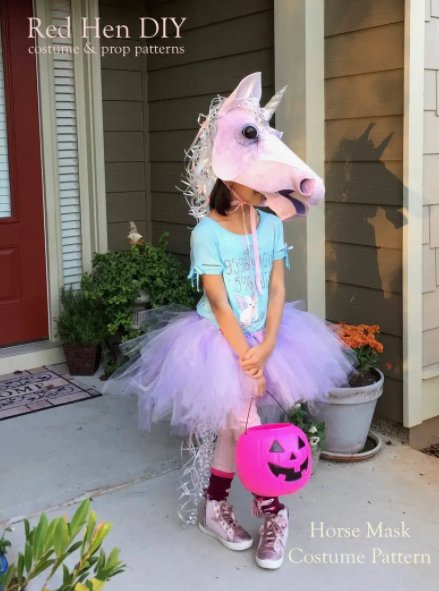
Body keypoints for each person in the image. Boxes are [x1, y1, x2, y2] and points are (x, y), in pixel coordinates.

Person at [103, 72, 358, 570]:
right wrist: (246, 354)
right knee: (250, 427)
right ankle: (273, 509)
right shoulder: (207, 234)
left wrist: (267, 348)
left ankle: (215, 507)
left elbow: (279, 287)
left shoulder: (267, 224)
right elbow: (219, 305)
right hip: (219, 343)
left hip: (268, 338)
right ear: (225, 174)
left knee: (232, 427)